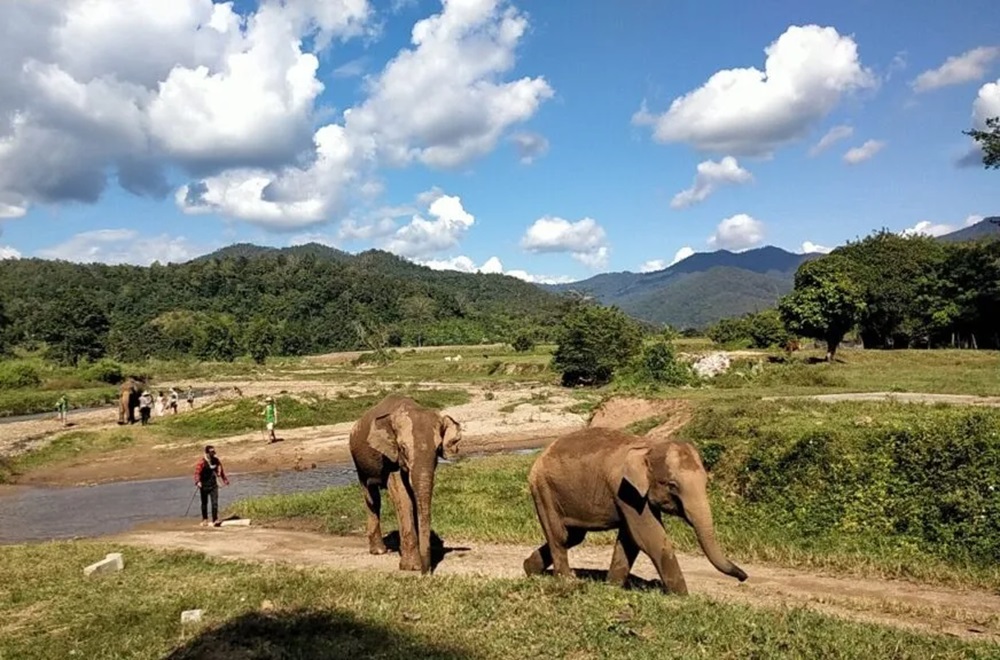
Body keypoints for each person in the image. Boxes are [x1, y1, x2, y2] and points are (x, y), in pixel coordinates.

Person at [194, 445, 229, 527]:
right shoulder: (202, 462)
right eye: (211, 452)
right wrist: (198, 482)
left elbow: (221, 470)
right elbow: (197, 473)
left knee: (215, 503)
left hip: (213, 485)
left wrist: (225, 480)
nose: (213, 453)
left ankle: (215, 519)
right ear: (207, 453)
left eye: (214, 451)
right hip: (204, 485)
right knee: (204, 503)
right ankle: (205, 519)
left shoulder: (216, 461)